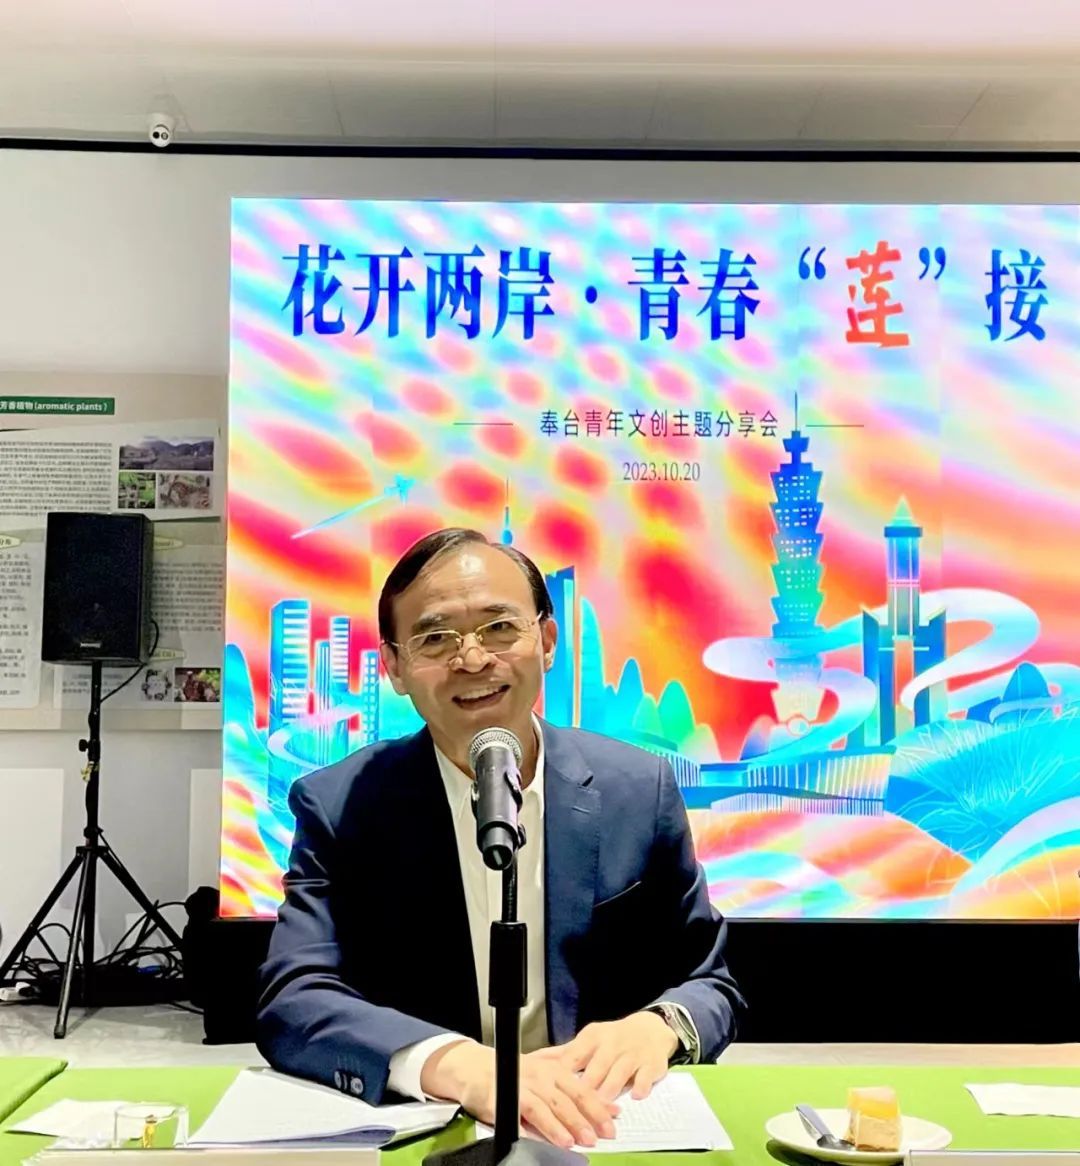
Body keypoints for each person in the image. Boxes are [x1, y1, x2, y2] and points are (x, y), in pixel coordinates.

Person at [257, 528, 745, 1148]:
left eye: (499, 628)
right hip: (436, 1130)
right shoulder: (340, 805)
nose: (472, 659)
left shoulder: (637, 789)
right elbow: (294, 997)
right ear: (395, 668)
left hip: (598, 1125)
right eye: (435, 638)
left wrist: (659, 1026)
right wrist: (454, 1064)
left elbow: (709, 982)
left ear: (547, 641)